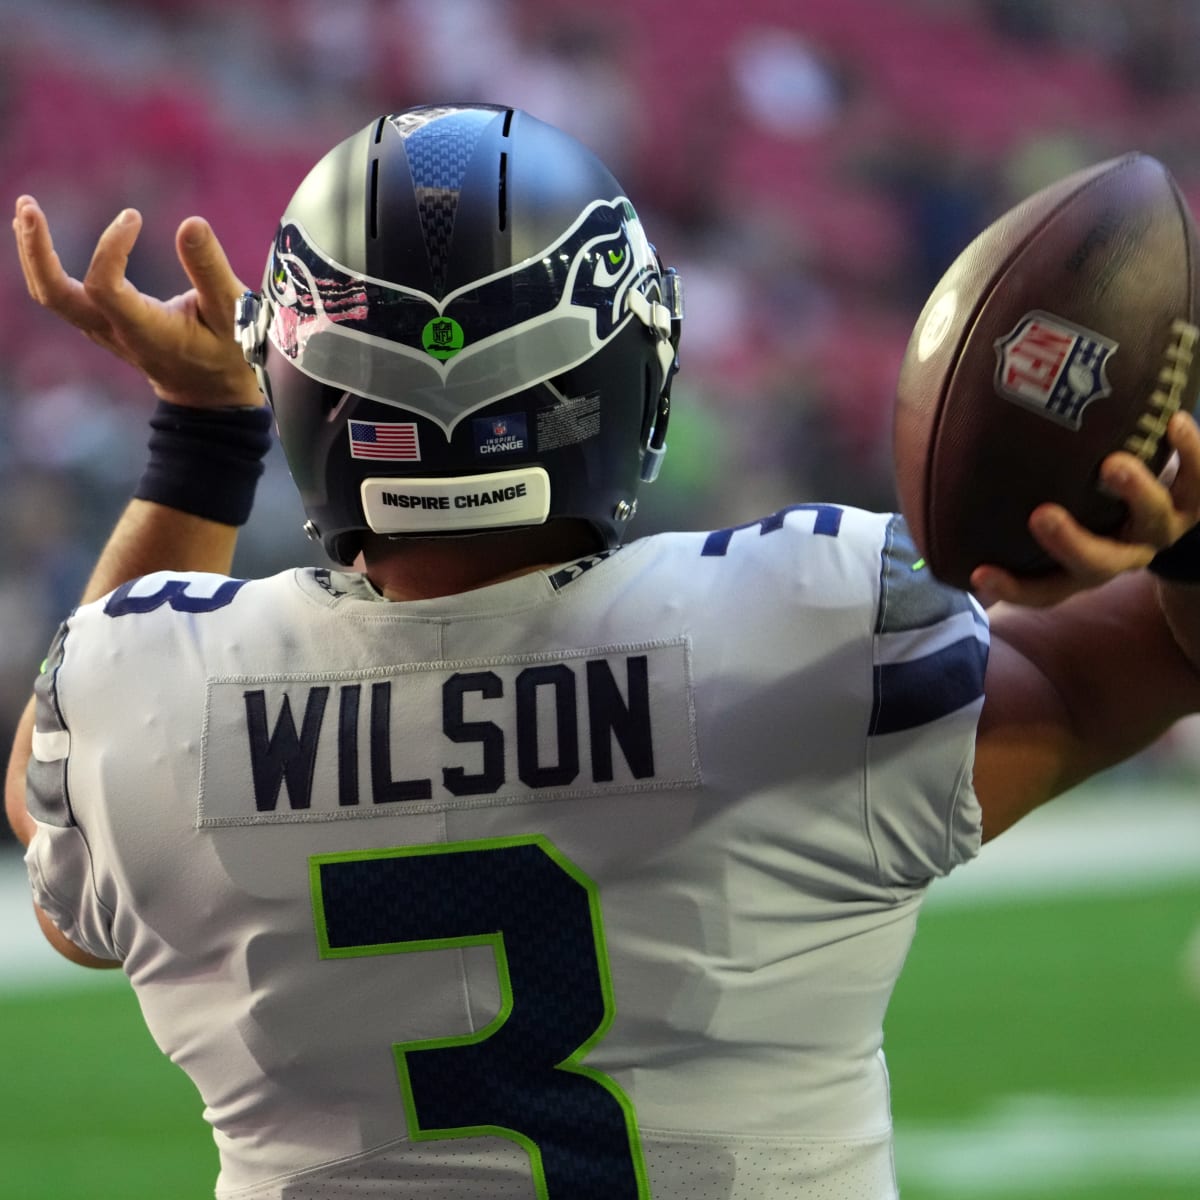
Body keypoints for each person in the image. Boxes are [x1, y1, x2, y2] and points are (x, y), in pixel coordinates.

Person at [6, 104, 1200, 1200]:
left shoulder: (144, 688)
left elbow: (57, 831)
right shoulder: (809, 628)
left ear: (302, 395)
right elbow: (1142, 658)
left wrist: (203, 442)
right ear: (631, 375)